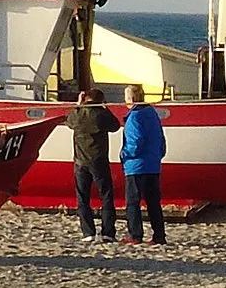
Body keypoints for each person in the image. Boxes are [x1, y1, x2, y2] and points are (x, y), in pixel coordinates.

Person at [65, 87, 120, 242]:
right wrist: (106, 108)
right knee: (106, 196)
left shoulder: (78, 114)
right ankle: (108, 232)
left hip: (80, 161)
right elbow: (115, 125)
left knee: (83, 198)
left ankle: (88, 232)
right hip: (99, 159)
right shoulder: (101, 115)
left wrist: (78, 104)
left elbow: (68, 120)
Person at [120, 83, 167, 246]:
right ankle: (159, 235)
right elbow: (161, 137)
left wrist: (124, 155)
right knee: (153, 202)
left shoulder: (134, 117)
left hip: (136, 165)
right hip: (153, 164)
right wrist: (158, 154)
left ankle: (135, 234)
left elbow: (135, 142)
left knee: (133, 202)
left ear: (131, 99)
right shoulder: (152, 114)